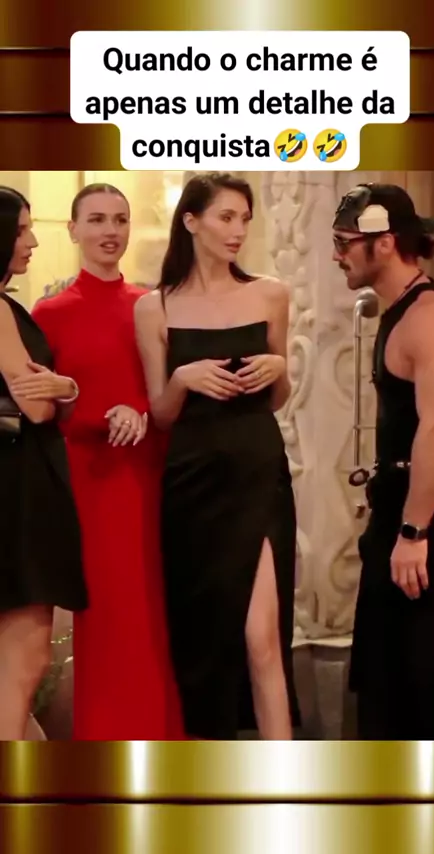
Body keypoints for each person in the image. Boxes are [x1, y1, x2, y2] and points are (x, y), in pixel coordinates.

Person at [14, 183, 184, 740]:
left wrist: (140, 410)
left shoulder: (153, 306)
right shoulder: (49, 313)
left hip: (151, 477)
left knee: (157, 614)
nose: (110, 231)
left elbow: (168, 394)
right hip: (87, 483)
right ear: (73, 230)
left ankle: (165, 741)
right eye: (96, 220)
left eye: (120, 219)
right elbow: (38, 406)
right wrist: (92, 409)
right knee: (107, 618)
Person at [134, 171, 299, 740]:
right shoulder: (154, 307)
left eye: (244, 219)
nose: (238, 231)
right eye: (226, 217)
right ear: (191, 221)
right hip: (192, 483)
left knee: (262, 637)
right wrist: (183, 379)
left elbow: (277, 397)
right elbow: (161, 414)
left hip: (257, 472)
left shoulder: (270, 294)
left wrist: (280, 369)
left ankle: (285, 778)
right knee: (202, 641)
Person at [333, 181, 434, 740]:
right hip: (415, 506)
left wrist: (414, 531)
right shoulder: (413, 308)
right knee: (391, 681)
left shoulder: (432, 317)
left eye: (344, 242)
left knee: (429, 686)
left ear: (386, 242)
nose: (336, 254)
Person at [0, 186, 88, 740]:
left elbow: (46, 393)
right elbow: (34, 403)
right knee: (26, 654)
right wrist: (64, 387)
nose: (32, 241)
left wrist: (64, 388)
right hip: (18, 488)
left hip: (21, 481)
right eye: (21, 230)